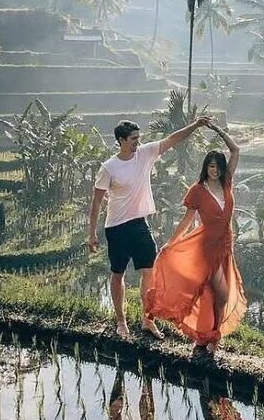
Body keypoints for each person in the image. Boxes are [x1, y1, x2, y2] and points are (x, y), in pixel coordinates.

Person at [88, 116, 211, 339]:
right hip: (116, 227)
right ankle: (121, 321)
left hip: (140, 224)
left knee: (149, 272)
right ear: (121, 140)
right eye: (134, 139)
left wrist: (195, 125)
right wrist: (91, 234)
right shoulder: (109, 168)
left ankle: (147, 319)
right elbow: (96, 201)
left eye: (139, 138)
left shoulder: (145, 153)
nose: (138, 142)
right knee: (118, 274)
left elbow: (173, 139)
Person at [147, 121, 246, 353]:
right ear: (206, 167)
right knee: (219, 294)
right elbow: (188, 220)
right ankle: (212, 337)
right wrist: (172, 242)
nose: (215, 170)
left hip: (226, 244)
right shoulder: (198, 190)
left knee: (214, 294)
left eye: (218, 166)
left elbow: (236, 150)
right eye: (211, 166)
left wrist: (218, 130)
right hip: (205, 247)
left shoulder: (227, 182)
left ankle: (206, 338)